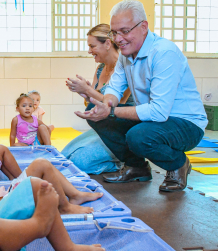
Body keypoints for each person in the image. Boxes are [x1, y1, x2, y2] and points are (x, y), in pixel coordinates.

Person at [70, 0, 207, 192]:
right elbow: (115, 89)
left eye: (124, 31)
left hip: (186, 124)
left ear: (144, 27)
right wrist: (105, 106)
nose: (118, 39)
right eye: (114, 32)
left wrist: (110, 110)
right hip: (156, 121)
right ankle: (137, 167)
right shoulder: (126, 56)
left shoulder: (164, 53)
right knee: (96, 113)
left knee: (138, 136)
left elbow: (159, 112)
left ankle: (178, 164)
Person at [63, 23, 134, 174]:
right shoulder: (101, 68)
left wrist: (88, 90)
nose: (89, 51)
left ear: (107, 43)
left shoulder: (126, 68)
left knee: (78, 163)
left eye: (92, 46)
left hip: (120, 130)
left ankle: (124, 163)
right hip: (103, 127)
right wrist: (85, 94)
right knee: (64, 156)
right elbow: (94, 103)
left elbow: (115, 105)